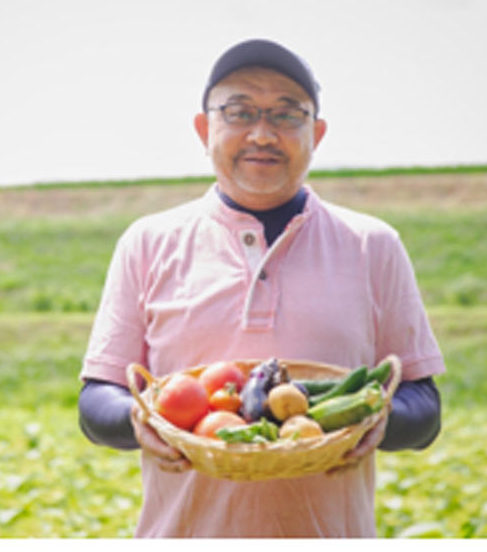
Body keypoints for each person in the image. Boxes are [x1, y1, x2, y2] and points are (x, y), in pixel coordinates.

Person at [78, 38, 445, 537]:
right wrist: (138, 420)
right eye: (240, 111)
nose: (262, 133)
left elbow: (423, 406)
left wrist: (380, 418)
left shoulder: (372, 245)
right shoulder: (147, 242)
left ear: (316, 133)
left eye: (287, 115)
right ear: (204, 129)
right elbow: (96, 401)